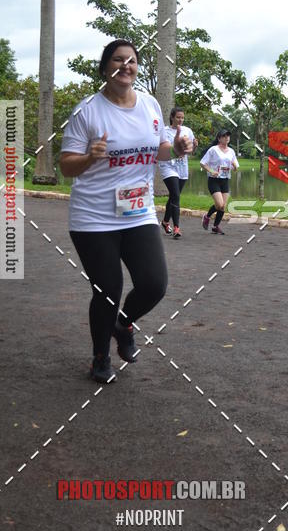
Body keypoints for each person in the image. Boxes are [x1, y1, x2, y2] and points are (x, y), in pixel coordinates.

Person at [59, 40, 193, 383]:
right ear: (105, 67)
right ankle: (100, 358)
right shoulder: (87, 110)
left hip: (138, 211)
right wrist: (90, 157)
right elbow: (66, 167)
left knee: (154, 284)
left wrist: (175, 148)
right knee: (108, 288)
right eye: (118, 60)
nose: (126, 66)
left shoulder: (148, 105)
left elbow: (157, 149)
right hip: (93, 217)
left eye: (131, 61)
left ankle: (122, 324)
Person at [159, 106, 197, 239]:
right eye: (178, 117)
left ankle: (164, 222)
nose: (180, 120)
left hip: (182, 167)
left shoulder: (188, 131)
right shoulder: (163, 131)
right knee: (175, 195)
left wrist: (194, 146)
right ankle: (176, 227)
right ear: (172, 117)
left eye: (182, 117)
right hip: (167, 166)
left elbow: (191, 150)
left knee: (174, 196)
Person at [201, 129, 239, 234]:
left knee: (222, 207)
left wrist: (235, 167)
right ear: (219, 138)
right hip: (214, 180)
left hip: (225, 180)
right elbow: (203, 163)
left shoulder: (231, 151)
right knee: (219, 203)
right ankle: (207, 216)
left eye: (228, 136)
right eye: (224, 136)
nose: (227, 138)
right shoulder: (213, 149)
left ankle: (215, 226)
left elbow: (235, 167)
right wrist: (211, 171)